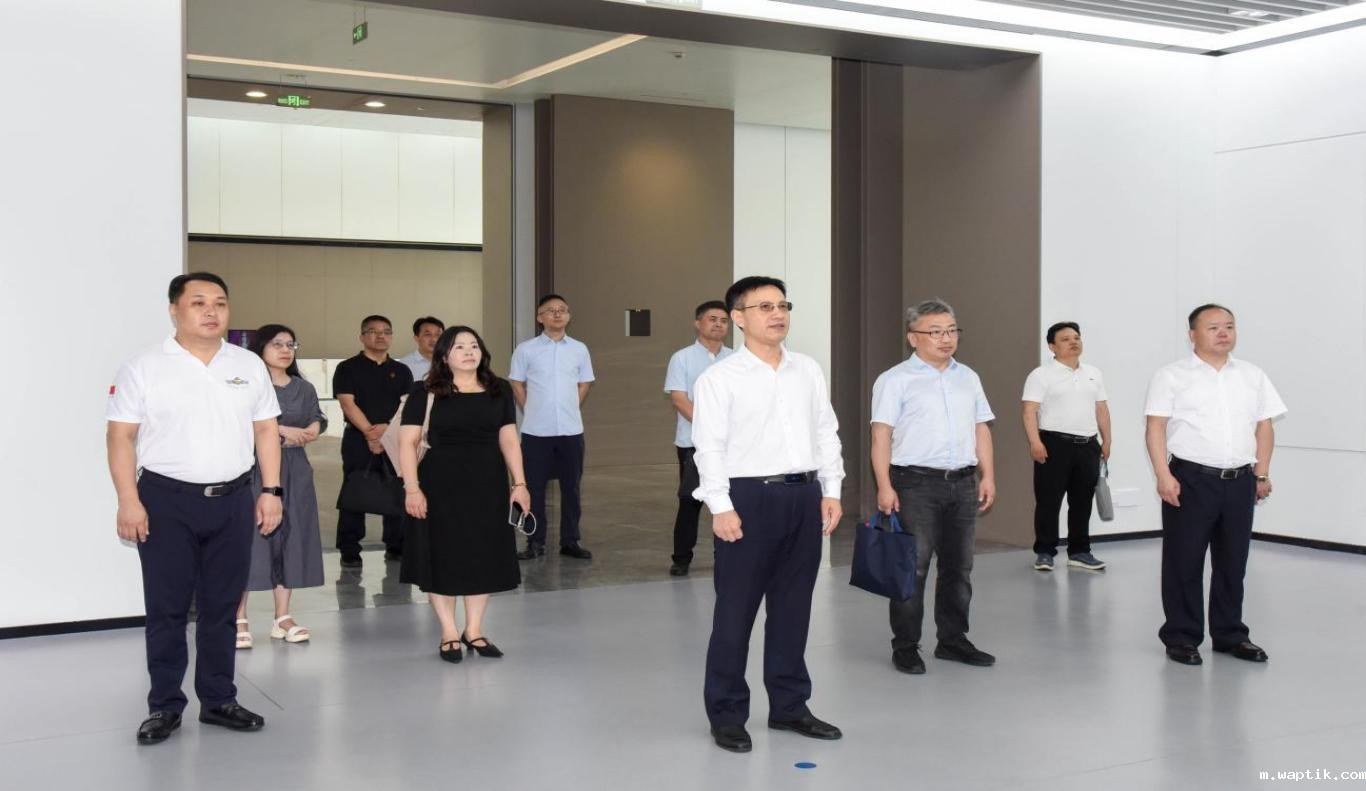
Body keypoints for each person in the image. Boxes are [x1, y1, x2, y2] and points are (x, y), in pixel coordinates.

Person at [106, 272, 283, 745]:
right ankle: (164, 706)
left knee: (221, 607)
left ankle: (219, 699)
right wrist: (128, 500)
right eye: (198, 302)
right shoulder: (143, 367)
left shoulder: (247, 364)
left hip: (233, 501)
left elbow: (266, 430)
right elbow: (120, 437)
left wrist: (271, 490)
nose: (211, 311)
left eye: (220, 303)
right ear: (174, 310)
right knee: (166, 609)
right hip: (166, 502)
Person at [691, 276, 844, 754]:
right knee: (735, 613)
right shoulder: (719, 379)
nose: (777, 314)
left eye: (782, 305)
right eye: (764, 306)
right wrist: (720, 506)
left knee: (793, 609)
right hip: (748, 499)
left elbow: (826, 431)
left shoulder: (807, 370)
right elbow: (708, 447)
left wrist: (831, 489)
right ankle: (727, 714)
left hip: (804, 496)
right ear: (738, 318)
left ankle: (790, 707)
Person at [1144, 303, 1285, 666]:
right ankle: (1181, 636)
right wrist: (1163, 475)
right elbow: (1156, 427)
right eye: (1213, 327)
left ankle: (1230, 634)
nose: (1223, 333)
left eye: (1229, 326)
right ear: (1192, 335)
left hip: (1240, 480)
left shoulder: (1252, 375)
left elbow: (1264, 426)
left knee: (1233, 562)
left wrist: (1262, 473)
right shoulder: (1171, 376)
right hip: (1191, 480)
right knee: (1184, 561)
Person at [870, 298, 997, 677]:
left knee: (959, 568)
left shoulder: (968, 377)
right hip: (914, 485)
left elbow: (981, 428)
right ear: (913, 337)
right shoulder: (894, 380)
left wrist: (988, 475)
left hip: (962, 482)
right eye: (936, 332)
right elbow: (881, 436)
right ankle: (906, 646)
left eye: (952, 330)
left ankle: (953, 640)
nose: (946, 338)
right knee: (913, 569)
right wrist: (884, 486)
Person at [398, 326, 530, 663]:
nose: (469, 352)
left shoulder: (498, 389)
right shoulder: (425, 390)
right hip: (438, 484)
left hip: (487, 483)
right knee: (442, 556)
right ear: (444, 355)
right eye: (459, 347)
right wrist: (412, 488)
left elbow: (509, 439)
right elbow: (407, 443)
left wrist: (520, 484)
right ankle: (448, 632)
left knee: (481, 554)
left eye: (474, 345)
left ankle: (474, 630)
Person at [234, 324, 326, 648]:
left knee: (292, 538)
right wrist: (281, 430)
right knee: (251, 540)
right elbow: (241, 422)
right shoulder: (248, 385)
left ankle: (282, 617)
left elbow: (318, 416)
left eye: (290, 344)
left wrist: (313, 428)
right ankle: (239, 616)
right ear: (260, 348)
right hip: (256, 469)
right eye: (277, 344)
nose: (286, 350)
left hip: (296, 469)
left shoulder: (304, 387)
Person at [508, 294, 595, 560]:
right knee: (534, 488)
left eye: (562, 310)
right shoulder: (526, 349)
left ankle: (570, 541)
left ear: (568, 316)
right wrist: (530, 407)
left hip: (571, 431)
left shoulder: (579, 349)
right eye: (550, 310)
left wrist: (572, 405)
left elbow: (585, 382)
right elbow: (516, 382)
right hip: (536, 432)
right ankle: (535, 542)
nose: (557, 314)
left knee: (572, 488)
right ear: (540, 317)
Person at [1021, 321, 1111, 572]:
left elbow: (1101, 409)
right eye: (1065, 339)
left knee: (1082, 501)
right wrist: (1035, 442)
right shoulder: (1041, 375)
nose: (1073, 342)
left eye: (1076, 338)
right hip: (1053, 445)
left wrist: (1107, 441)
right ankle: (1045, 552)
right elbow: (1029, 411)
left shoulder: (1094, 373)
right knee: (1048, 501)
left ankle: (1080, 552)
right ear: (1052, 346)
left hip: (1088, 445)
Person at [332, 315, 414, 567]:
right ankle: (349, 549)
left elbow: (406, 406)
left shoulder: (402, 370)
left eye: (386, 332)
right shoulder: (347, 368)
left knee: (396, 489)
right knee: (355, 489)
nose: (381, 336)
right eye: (374, 331)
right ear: (362, 336)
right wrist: (370, 432)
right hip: (357, 438)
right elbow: (347, 403)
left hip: (394, 437)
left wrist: (387, 430)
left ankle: (396, 546)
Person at [663, 300, 733, 576]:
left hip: (731, 445)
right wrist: (710, 428)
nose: (718, 324)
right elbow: (679, 400)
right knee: (690, 502)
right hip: (693, 443)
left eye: (724, 320)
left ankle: (726, 556)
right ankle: (682, 558)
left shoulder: (736, 358)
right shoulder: (682, 358)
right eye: (712, 319)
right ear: (698, 323)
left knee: (729, 502)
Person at [399, 316, 444, 382]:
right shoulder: (404, 365)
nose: (434, 339)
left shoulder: (451, 362)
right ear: (416, 338)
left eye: (438, 335)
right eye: (428, 334)